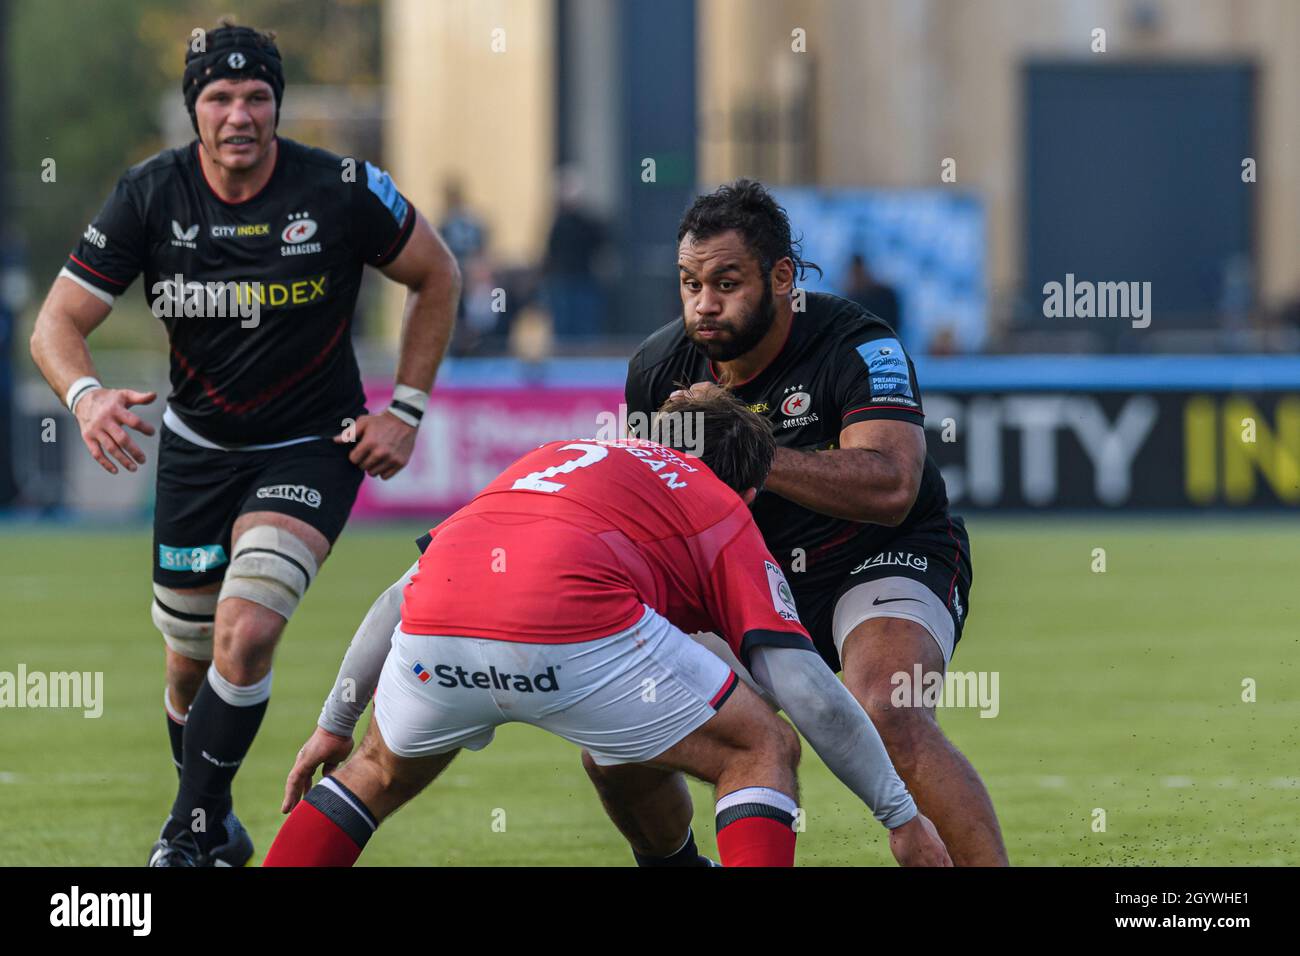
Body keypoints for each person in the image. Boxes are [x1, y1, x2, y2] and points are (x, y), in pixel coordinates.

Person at [27, 20, 461, 866]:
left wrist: (404, 411)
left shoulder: (340, 186)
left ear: (277, 107)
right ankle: (216, 823)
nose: (238, 114)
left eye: (256, 96)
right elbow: (57, 322)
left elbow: (436, 273)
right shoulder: (149, 193)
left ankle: (183, 838)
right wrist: (85, 397)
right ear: (194, 108)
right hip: (196, 450)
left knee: (248, 633)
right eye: (219, 97)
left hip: (310, 444)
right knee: (190, 666)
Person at [263, 390, 949, 867]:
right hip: (569, 623)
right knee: (760, 748)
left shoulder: (557, 458)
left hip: (438, 622)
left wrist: (334, 721)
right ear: (747, 491)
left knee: (375, 770)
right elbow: (806, 689)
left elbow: (395, 600)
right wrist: (901, 820)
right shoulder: (718, 504)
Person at [607, 179, 1008, 865]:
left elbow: (892, 484)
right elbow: (657, 515)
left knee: (886, 708)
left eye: (727, 282)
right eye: (689, 283)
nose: (705, 304)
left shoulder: (858, 344)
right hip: (749, 576)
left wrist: (747, 447)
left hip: (880, 556)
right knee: (617, 730)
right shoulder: (654, 370)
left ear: (782, 276)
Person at [844, 253, 902, 338]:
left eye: (858, 273)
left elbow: (894, 326)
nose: (857, 278)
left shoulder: (886, 296)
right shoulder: (849, 301)